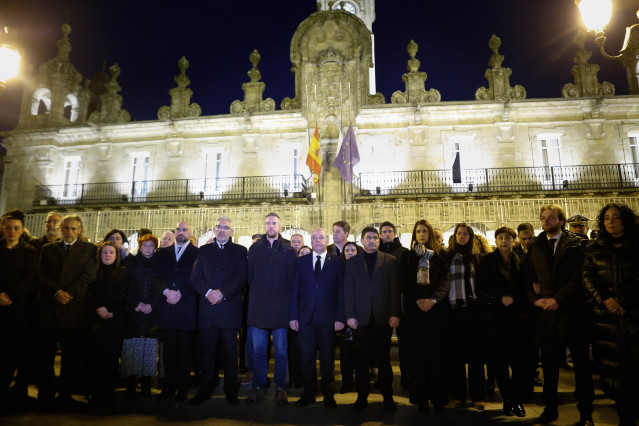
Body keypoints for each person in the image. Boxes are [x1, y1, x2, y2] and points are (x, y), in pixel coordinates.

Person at [523, 204, 594, 425]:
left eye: (551, 217)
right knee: (551, 368)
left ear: (561, 221)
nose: (546, 221)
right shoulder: (536, 246)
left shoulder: (577, 244)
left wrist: (558, 299)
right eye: (543, 217)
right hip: (546, 315)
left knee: (581, 367)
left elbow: (580, 276)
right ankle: (550, 408)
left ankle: (585, 412)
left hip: (572, 313)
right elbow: (527, 277)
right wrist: (535, 299)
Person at [583, 203, 639, 425]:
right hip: (607, 320)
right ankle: (624, 413)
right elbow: (587, 278)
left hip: (633, 314)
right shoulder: (595, 248)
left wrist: (623, 301)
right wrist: (606, 300)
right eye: (607, 218)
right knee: (613, 369)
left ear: (624, 220)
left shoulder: (636, 246)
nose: (611, 222)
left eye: (616, 217)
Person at [36, 214, 97, 410]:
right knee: (45, 356)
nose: (69, 232)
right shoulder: (48, 249)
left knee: (70, 357)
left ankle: (65, 394)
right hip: (51, 309)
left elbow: (89, 275)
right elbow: (40, 274)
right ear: (61, 229)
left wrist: (68, 293)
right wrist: (56, 292)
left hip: (73, 309)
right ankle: (45, 394)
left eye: (73, 229)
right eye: (66, 228)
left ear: (80, 230)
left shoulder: (88, 249)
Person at [190, 217, 247, 406]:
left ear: (231, 231)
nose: (222, 230)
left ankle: (231, 390)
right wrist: (208, 293)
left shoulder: (239, 251)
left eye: (226, 228)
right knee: (207, 354)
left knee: (231, 355)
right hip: (208, 309)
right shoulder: (204, 251)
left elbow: (241, 277)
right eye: (219, 227)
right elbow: (195, 277)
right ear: (214, 230)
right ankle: (205, 390)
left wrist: (222, 293)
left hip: (229, 309)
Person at [344, 227, 401, 411]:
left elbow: (394, 290)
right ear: (361, 240)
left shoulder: (390, 261)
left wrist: (395, 313)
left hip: (382, 318)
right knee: (360, 360)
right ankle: (362, 396)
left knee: (383, 359)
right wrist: (350, 315)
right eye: (368, 238)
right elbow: (348, 291)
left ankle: (387, 395)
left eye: (375, 238)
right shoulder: (352, 263)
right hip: (360, 319)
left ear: (379, 240)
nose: (372, 241)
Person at [476, 227, 528, 418]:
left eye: (507, 238)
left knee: (519, 364)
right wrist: (498, 299)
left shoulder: (522, 260)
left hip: (517, 318)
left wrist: (516, 299)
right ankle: (509, 399)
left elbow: (527, 285)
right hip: (496, 319)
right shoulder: (487, 261)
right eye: (500, 238)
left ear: (513, 241)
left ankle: (516, 399)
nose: (504, 241)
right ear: (496, 241)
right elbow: (480, 288)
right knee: (499, 363)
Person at [289, 228, 345, 408]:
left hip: (328, 319)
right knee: (306, 358)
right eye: (314, 237)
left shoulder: (337, 262)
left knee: (328, 360)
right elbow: (294, 291)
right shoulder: (301, 262)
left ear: (328, 240)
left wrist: (340, 317)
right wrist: (293, 316)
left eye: (321, 237)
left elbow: (341, 293)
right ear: (311, 241)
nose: (318, 240)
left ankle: (329, 394)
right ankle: (308, 393)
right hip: (305, 318)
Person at [246, 212, 297, 406]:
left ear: (280, 227)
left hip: (281, 309)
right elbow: (251, 279)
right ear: (264, 226)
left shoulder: (288, 250)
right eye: (268, 223)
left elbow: (292, 282)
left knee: (281, 351)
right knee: (258, 351)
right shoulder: (255, 249)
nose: (271, 226)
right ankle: (258, 386)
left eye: (274, 223)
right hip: (258, 307)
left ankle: (280, 388)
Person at [404, 219, 449, 413]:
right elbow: (405, 283)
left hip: (436, 313)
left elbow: (445, 282)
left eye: (424, 231)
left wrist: (433, 300)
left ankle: (438, 399)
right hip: (416, 314)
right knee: (418, 359)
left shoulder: (440, 256)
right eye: (418, 232)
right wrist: (418, 301)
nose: (421, 234)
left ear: (430, 233)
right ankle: (421, 399)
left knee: (437, 359)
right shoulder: (409, 257)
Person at [154, 222, 199, 402]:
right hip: (167, 307)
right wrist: (166, 291)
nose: (181, 232)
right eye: (178, 230)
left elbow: (197, 277)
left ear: (190, 233)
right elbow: (156, 276)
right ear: (175, 232)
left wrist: (181, 293)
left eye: (184, 230)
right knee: (168, 352)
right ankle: (168, 386)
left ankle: (183, 387)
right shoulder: (163, 253)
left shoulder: (197, 253)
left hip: (186, 307)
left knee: (184, 352)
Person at [0, 209, 38, 406]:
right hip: (0, 306)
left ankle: (19, 390)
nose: (12, 231)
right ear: (3, 228)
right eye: (8, 228)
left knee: (20, 350)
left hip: (21, 308)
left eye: (16, 228)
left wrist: (9, 295)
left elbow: (30, 279)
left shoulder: (30, 252)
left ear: (22, 230)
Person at [446, 222, 486, 409]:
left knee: (476, 356)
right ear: (455, 236)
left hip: (474, 310)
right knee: (457, 356)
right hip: (454, 310)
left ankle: (478, 395)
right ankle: (459, 395)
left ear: (471, 237)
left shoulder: (477, 258)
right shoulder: (448, 257)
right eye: (459, 234)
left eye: (465, 234)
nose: (462, 237)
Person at [85, 241, 128, 408]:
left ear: (116, 256)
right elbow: (89, 294)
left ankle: (109, 393)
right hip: (96, 322)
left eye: (111, 252)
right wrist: (99, 308)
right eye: (105, 252)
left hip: (114, 321)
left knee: (111, 359)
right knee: (95, 358)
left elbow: (123, 295)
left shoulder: (124, 273)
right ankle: (95, 393)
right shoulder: (93, 272)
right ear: (100, 255)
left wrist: (110, 309)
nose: (108, 255)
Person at [122, 233, 161, 397]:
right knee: (132, 346)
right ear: (139, 246)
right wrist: (135, 303)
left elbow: (161, 288)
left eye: (151, 245)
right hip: (134, 311)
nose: (148, 248)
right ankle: (130, 383)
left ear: (155, 248)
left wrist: (152, 304)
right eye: (145, 245)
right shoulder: (131, 262)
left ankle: (145, 382)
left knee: (149, 347)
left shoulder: (159, 264)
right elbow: (125, 286)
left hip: (151, 312)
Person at [378, 221, 410, 389]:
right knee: (383, 344)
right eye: (384, 231)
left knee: (404, 343)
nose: (387, 234)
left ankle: (406, 375)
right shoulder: (377, 252)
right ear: (380, 235)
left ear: (395, 233)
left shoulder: (404, 253)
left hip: (402, 301)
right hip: (383, 302)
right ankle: (383, 378)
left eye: (390, 231)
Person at [337, 241, 361, 394]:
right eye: (347, 250)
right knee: (345, 354)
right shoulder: (340, 269)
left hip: (359, 315)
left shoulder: (361, 269)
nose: (350, 252)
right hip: (343, 315)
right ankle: (347, 382)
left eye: (353, 250)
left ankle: (360, 381)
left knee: (359, 352)